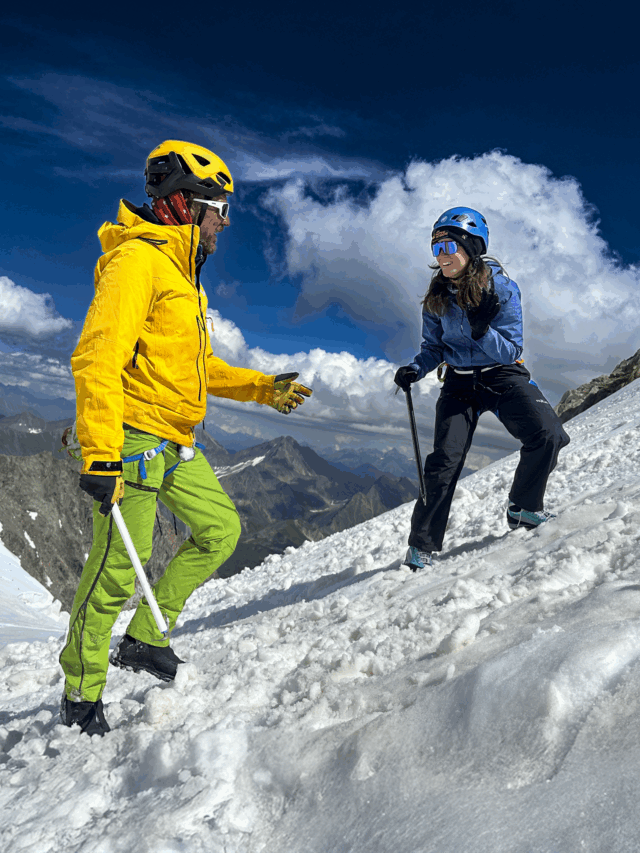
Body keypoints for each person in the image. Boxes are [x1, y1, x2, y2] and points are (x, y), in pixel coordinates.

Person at [59, 140, 313, 736]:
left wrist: (261, 389)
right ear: (184, 204)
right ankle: (81, 693)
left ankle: (145, 638)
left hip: (174, 439)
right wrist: (99, 452)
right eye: (218, 207)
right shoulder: (138, 263)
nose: (224, 220)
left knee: (220, 529)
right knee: (118, 568)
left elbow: (199, 368)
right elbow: (97, 357)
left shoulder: (182, 277)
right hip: (131, 439)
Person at [394, 206, 569, 572]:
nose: (441, 257)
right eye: (435, 249)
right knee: (444, 461)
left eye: (448, 247)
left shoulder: (502, 289)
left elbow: (513, 349)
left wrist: (481, 331)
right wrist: (415, 368)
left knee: (548, 435)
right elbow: (434, 347)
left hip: (502, 375)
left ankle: (523, 508)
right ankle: (421, 546)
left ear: (472, 247)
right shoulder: (437, 296)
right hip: (459, 382)